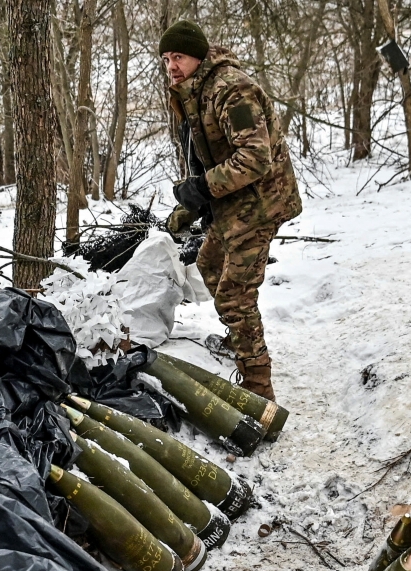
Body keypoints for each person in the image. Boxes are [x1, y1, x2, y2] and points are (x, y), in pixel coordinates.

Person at [160, 19, 302, 402]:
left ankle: (259, 389)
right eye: (167, 58)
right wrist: (189, 206)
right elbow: (210, 156)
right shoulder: (194, 91)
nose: (172, 66)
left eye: (180, 57)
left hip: (259, 204)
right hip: (234, 202)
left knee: (234, 295)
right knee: (209, 266)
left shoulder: (230, 90)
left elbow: (255, 158)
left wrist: (200, 189)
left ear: (198, 56)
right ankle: (242, 341)